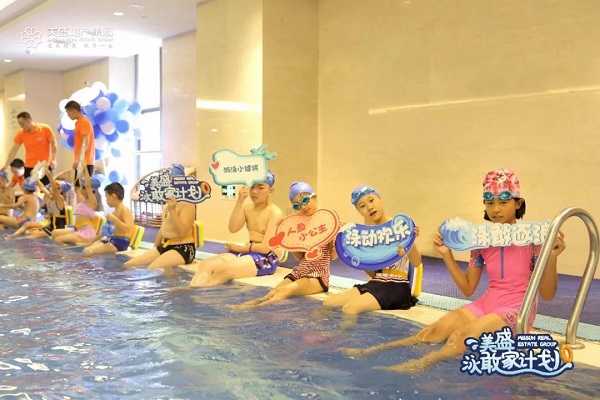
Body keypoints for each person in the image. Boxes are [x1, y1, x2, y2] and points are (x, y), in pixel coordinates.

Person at [341, 169, 566, 372]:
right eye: (490, 202)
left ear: (518, 203)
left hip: (517, 309)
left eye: (503, 202)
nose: (496, 209)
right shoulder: (481, 241)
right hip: (488, 302)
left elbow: (547, 294)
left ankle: (416, 367)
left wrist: (552, 257)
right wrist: (446, 254)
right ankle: (373, 351)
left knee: (460, 337)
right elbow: (468, 289)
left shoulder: (533, 240)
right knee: (433, 331)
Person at [228, 181, 337, 311]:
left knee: (284, 291)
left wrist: (338, 241)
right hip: (300, 271)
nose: (303, 207)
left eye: (305, 200)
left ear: (315, 197)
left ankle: (254, 309)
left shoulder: (327, 223)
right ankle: (247, 305)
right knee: (274, 291)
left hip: (318, 277)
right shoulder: (299, 226)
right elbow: (300, 258)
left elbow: (333, 256)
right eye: (297, 205)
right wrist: (288, 240)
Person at [322, 185, 422, 314]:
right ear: (360, 212)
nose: (369, 207)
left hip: (397, 285)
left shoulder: (399, 226)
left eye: (371, 200)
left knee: (350, 308)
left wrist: (410, 240)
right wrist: (355, 255)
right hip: (376, 281)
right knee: (329, 303)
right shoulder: (365, 236)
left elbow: (416, 262)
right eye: (362, 206)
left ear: (380, 199)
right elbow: (374, 274)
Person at [188, 171, 284, 286]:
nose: (254, 191)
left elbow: (265, 248)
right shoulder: (247, 208)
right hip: (248, 251)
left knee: (223, 271)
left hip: (267, 258)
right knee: (205, 264)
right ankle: (193, 291)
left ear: (271, 191)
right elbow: (233, 228)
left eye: (261, 187)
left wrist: (238, 248)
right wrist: (240, 200)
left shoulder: (275, 213)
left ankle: (205, 293)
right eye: (252, 187)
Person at [124, 163, 196, 269]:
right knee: (128, 266)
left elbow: (183, 232)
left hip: (183, 248)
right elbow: (163, 228)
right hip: (165, 246)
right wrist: (154, 248)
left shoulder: (187, 203)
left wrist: (172, 211)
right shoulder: (168, 202)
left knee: (152, 269)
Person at [5, 167, 71, 239]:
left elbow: (14, 206)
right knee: (29, 228)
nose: (51, 187)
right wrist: (35, 177)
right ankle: (13, 236)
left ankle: (16, 238)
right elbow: (42, 188)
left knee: (33, 234)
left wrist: (49, 175)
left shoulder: (60, 200)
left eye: (55, 187)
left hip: (56, 227)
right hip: (47, 223)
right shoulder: (49, 197)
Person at [2, 112, 58, 186]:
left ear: (29, 120)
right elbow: (14, 150)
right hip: (29, 167)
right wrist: (6, 165)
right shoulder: (21, 133)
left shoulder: (45, 129)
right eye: (19, 124)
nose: (21, 126)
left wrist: (53, 160)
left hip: (44, 166)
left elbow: (54, 144)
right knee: (30, 190)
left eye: (22, 124)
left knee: (46, 190)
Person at [83, 182, 134, 255]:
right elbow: (105, 231)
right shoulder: (113, 213)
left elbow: (128, 229)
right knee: (86, 250)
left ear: (113, 196)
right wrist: (92, 241)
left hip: (121, 243)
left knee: (90, 252)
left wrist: (115, 220)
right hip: (112, 240)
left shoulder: (124, 210)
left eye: (107, 197)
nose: (106, 200)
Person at [51, 168, 98, 245]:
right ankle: (65, 249)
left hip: (86, 233)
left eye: (82, 187)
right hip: (77, 230)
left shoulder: (92, 202)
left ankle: (64, 251)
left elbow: (88, 185)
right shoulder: (83, 201)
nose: (80, 188)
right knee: (54, 233)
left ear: (87, 190)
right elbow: (78, 181)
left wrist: (85, 168)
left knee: (58, 239)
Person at [65, 100, 95, 182]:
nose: (68, 115)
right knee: (77, 186)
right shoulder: (78, 123)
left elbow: (85, 142)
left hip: (85, 162)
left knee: (82, 188)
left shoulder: (84, 122)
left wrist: (78, 159)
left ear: (74, 111)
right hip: (82, 162)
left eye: (68, 113)